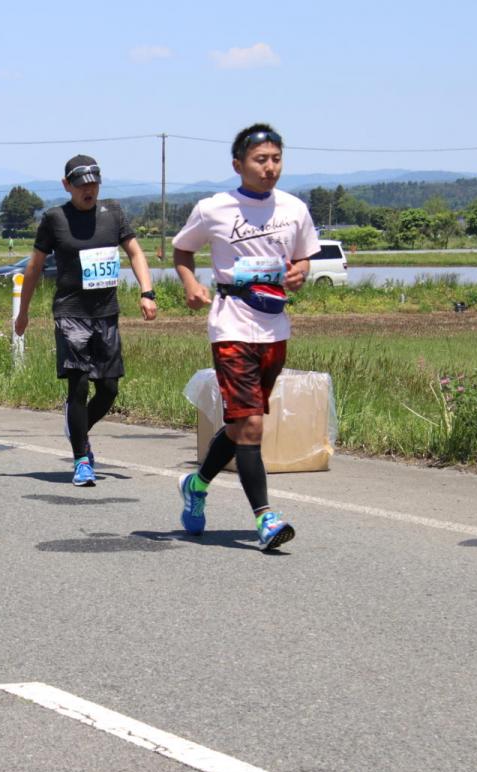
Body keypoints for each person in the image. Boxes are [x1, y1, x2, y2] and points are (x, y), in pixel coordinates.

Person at [173, 124, 319, 550]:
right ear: (238, 165)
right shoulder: (214, 208)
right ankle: (266, 518)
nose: (269, 168)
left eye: (276, 159)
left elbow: (304, 257)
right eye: (260, 160)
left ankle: (196, 486)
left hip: (274, 327)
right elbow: (183, 250)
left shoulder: (294, 208)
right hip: (231, 324)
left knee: (240, 425)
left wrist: (302, 272)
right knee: (252, 424)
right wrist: (191, 285)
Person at [14, 154, 156, 487]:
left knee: (108, 389)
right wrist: (23, 312)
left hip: (105, 313)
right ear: (67, 186)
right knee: (77, 386)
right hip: (70, 313)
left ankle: (78, 429)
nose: (88, 191)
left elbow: (135, 252)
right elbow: (34, 267)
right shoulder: (54, 219)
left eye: (93, 184)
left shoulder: (113, 215)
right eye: (81, 186)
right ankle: (81, 459)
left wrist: (147, 292)